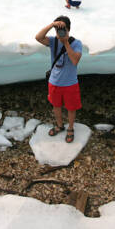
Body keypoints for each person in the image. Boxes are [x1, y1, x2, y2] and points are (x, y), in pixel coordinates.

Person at [35, 15, 83, 143]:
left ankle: (70, 128)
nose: (60, 33)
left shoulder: (76, 43)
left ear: (69, 30)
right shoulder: (53, 41)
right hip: (54, 82)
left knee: (71, 108)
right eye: (58, 30)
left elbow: (75, 61)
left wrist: (66, 42)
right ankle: (60, 125)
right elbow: (38, 37)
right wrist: (52, 25)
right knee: (56, 106)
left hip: (70, 83)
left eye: (63, 30)